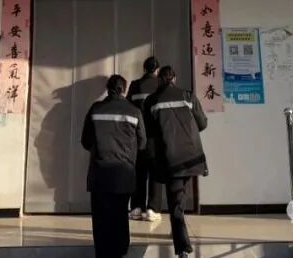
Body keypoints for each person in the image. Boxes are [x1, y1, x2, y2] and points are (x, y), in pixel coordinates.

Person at [142, 66, 208, 258]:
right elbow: (202, 123)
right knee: (178, 199)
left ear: (160, 80)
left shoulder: (152, 100)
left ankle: (182, 248)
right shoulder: (188, 96)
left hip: (170, 157)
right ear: (174, 79)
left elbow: (149, 132)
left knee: (176, 203)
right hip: (192, 156)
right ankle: (179, 230)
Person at [81, 74, 146, 258]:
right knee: (120, 215)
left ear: (108, 88)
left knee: (101, 218)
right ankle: (120, 251)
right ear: (123, 89)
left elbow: (85, 141)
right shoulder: (134, 111)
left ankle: (103, 253)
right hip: (124, 173)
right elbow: (142, 143)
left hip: (99, 173)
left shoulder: (96, 109)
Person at [127, 56, 162, 222]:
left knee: (139, 173)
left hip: (138, 137)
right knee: (155, 173)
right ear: (157, 70)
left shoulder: (135, 85)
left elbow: (128, 108)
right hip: (156, 137)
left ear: (144, 69)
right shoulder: (161, 85)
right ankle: (152, 209)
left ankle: (136, 207)